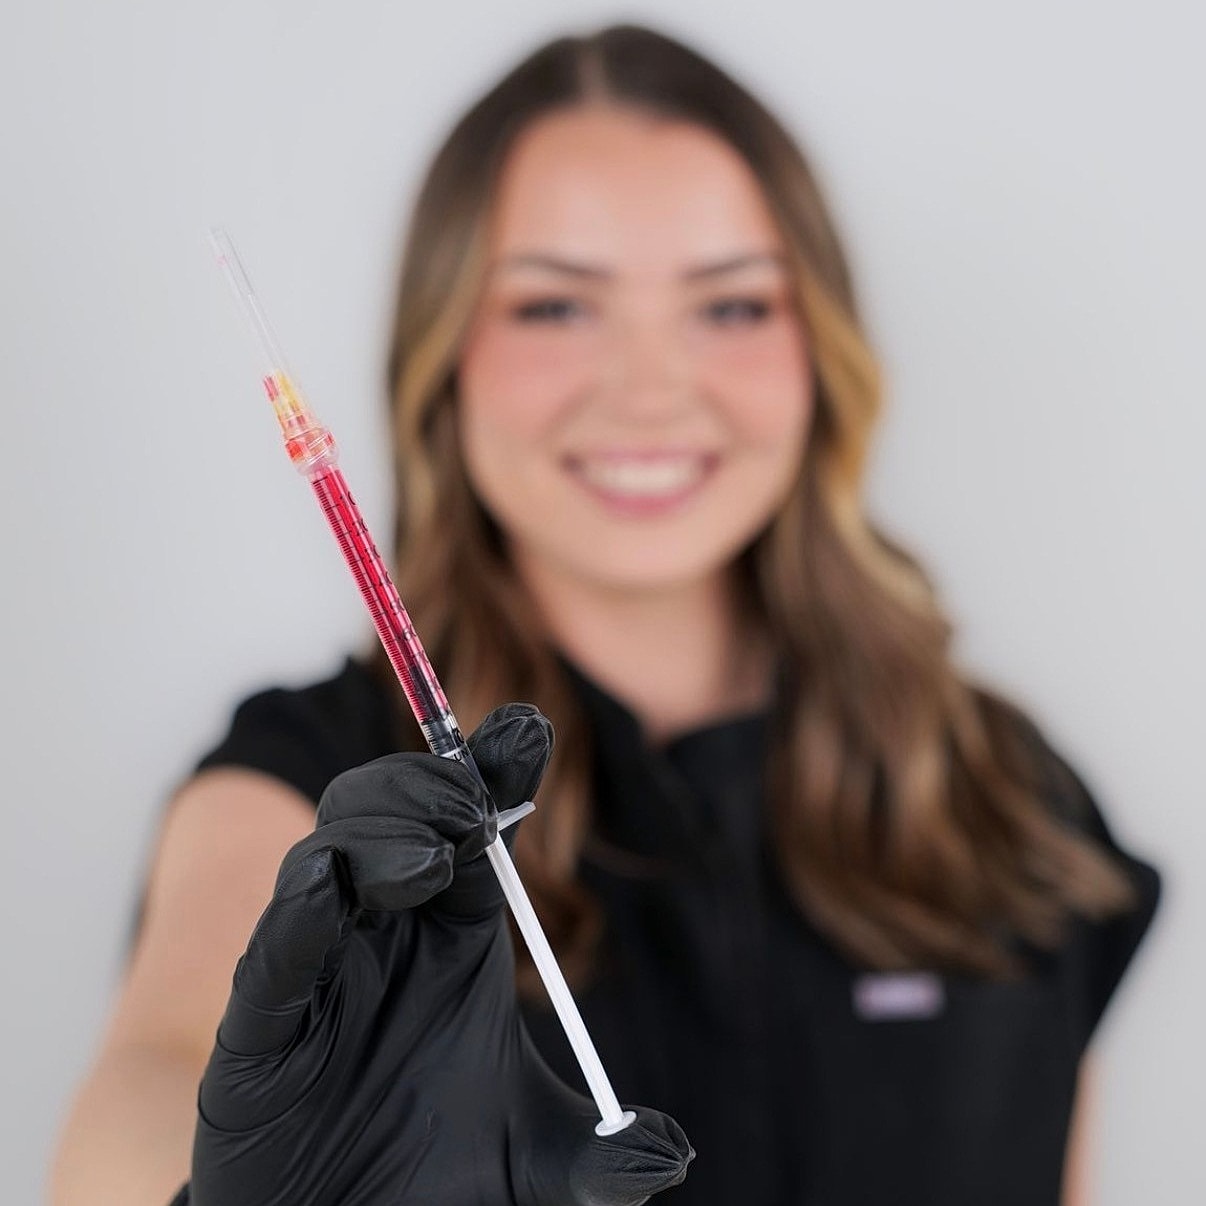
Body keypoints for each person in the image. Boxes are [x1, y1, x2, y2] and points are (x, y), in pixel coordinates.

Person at [51, 23, 1160, 1206]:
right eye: (555, 308)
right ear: (446, 358)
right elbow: (149, 1094)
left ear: (820, 349)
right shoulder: (311, 787)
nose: (648, 386)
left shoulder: (1001, 795)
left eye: (731, 306)